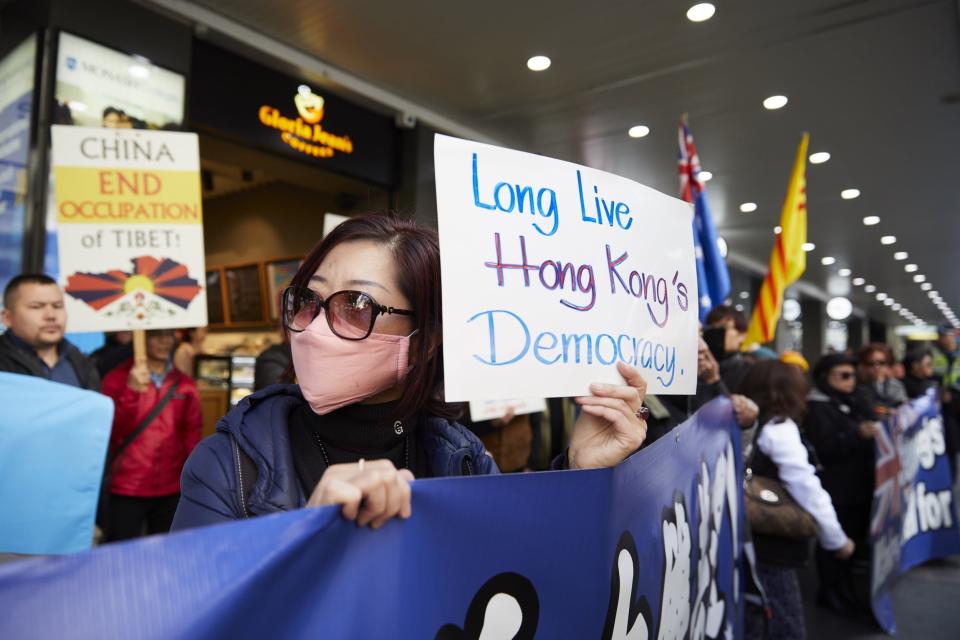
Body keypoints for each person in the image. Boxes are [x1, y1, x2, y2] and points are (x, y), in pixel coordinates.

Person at [171, 213, 649, 531]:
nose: (316, 328)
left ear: (426, 340)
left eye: (355, 305)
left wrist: (580, 473)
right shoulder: (228, 465)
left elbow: (518, 578)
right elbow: (197, 619)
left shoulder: (463, 459)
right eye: (308, 300)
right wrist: (308, 548)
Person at [738, 360, 854, 640]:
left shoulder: (746, 422)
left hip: (744, 540)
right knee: (784, 625)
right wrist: (836, 540)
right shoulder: (780, 428)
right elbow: (806, 487)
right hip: (773, 545)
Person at [101, 329, 202, 541]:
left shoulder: (185, 385)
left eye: (168, 335)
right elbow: (109, 432)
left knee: (166, 555)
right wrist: (130, 392)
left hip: (171, 487)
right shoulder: (116, 380)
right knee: (121, 557)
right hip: (126, 487)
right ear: (140, 338)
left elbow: (192, 437)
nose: (164, 341)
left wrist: (192, 480)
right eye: (156, 335)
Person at [803, 353, 876, 615]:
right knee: (833, 543)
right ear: (825, 378)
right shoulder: (817, 407)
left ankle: (845, 587)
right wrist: (856, 434)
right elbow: (824, 447)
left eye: (853, 376)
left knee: (854, 540)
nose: (850, 381)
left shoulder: (852, 401)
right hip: (837, 487)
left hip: (858, 485)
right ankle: (829, 591)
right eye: (843, 376)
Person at [0, 274, 99, 391]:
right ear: (7, 318)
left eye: (57, 306)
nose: (51, 315)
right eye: (36, 307)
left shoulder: (83, 363)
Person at [704, 304, 752, 391]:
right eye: (712, 329)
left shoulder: (750, 372)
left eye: (723, 329)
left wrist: (714, 381)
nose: (716, 335)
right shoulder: (699, 366)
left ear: (742, 335)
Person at [856, 343, 907, 419]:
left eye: (881, 363)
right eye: (871, 363)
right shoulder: (858, 387)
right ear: (863, 366)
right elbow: (870, 409)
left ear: (887, 364)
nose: (877, 367)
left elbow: (903, 406)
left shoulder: (895, 384)